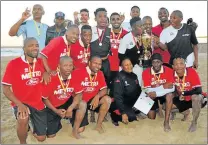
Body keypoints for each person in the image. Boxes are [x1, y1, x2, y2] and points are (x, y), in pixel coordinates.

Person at [2, 37, 48, 144]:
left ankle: (30, 124)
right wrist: (19, 104)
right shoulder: (14, 64)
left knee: (41, 138)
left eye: (36, 45)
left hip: (38, 103)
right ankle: (23, 142)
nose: (35, 48)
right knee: (23, 118)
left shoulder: (41, 62)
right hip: (21, 102)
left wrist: (46, 72)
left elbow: (49, 71)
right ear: (24, 49)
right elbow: (5, 89)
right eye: (31, 45)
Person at [42, 56, 87, 139]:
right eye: (65, 65)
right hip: (52, 106)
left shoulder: (75, 76)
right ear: (59, 66)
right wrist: (56, 110)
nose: (68, 68)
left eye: (70, 65)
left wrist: (71, 108)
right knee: (51, 136)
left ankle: (75, 131)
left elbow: (79, 94)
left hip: (66, 102)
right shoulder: (51, 78)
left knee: (82, 104)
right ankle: (58, 121)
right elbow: (44, 99)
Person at [74, 56, 111, 134]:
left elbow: (104, 89)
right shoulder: (78, 72)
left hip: (93, 100)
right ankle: (75, 127)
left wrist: (97, 96)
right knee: (80, 130)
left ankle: (98, 125)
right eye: (95, 63)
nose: (98, 66)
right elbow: (76, 94)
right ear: (89, 63)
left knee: (107, 99)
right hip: (80, 101)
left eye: (99, 64)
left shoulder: (100, 73)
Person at [142, 53, 175, 132]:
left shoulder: (169, 71)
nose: (156, 64)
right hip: (153, 95)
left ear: (162, 62)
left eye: (158, 62)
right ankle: (158, 107)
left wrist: (157, 92)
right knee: (151, 117)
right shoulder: (146, 72)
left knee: (169, 95)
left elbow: (172, 88)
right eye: (154, 62)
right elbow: (146, 90)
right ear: (151, 63)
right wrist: (163, 87)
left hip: (162, 94)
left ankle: (166, 122)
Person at [172, 57, 204, 132]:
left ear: (185, 65)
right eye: (176, 64)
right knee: (165, 106)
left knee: (197, 98)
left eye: (181, 64)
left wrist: (184, 93)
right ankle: (185, 112)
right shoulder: (171, 74)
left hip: (193, 98)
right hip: (182, 99)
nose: (179, 66)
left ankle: (194, 122)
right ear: (173, 67)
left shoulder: (192, 72)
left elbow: (199, 90)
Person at [110, 58, 142, 126]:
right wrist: (123, 112)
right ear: (122, 67)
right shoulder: (119, 78)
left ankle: (131, 111)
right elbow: (118, 97)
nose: (129, 66)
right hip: (120, 102)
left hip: (130, 101)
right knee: (131, 117)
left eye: (130, 64)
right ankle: (114, 115)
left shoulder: (134, 76)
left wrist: (143, 99)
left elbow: (138, 90)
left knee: (140, 110)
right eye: (126, 65)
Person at [118, 17, 150, 86]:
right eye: (140, 26)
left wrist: (147, 53)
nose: (142, 27)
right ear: (133, 27)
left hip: (138, 67)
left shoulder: (144, 37)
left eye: (142, 25)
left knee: (138, 87)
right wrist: (128, 66)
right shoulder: (126, 38)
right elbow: (120, 55)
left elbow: (146, 51)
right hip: (126, 68)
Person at [90, 8, 111, 87]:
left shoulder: (110, 31)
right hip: (92, 64)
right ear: (95, 18)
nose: (103, 19)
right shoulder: (90, 30)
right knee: (92, 86)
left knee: (105, 86)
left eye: (105, 16)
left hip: (105, 64)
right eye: (100, 16)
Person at [109, 12, 128, 86]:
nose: (116, 21)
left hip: (121, 67)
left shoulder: (127, 34)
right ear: (110, 21)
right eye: (113, 19)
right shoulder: (106, 33)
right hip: (109, 68)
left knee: (121, 89)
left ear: (121, 21)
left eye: (118, 19)